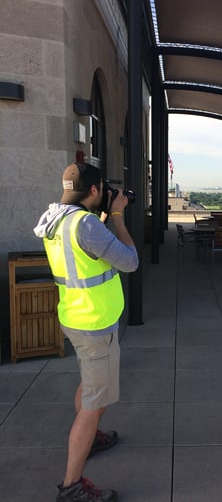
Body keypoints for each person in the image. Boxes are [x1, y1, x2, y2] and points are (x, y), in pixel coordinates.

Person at [34, 162, 139, 502]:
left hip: (75, 318)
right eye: (104, 190)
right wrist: (119, 216)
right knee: (94, 403)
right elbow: (129, 261)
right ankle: (72, 486)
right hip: (95, 325)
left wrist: (105, 217)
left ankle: (91, 437)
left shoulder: (57, 219)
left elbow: (86, 254)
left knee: (91, 386)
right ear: (94, 191)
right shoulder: (87, 225)